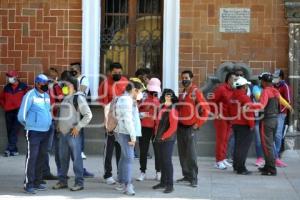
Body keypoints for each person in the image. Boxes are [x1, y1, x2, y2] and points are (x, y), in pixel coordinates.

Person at [246, 72, 293, 176]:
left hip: (267, 121)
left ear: (263, 82)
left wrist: (249, 107)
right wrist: (289, 107)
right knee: (270, 144)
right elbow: (283, 101)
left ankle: (271, 169)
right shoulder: (275, 91)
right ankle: (267, 166)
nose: (260, 82)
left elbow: (262, 106)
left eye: (261, 80)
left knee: (267, 145)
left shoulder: (266, 91)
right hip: (275, 120)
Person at [52, 75, 92, 191]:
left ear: (73, 87)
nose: (64, 87)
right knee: (62, 158)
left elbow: (88, 115)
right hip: (63, 134)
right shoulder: (66, 97)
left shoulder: (78, 98)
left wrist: (78, 127)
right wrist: (59, 125)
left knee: (76, 159)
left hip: (73, 134)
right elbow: (62, 113)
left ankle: (79, 183)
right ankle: (62, 181)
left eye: (66, 85)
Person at [18, 74, 52, 194]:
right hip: (33, 131)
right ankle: (29, 184)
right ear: (37, 83)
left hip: (46, 131)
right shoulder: (30, 95)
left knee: (41, 156)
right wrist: (30, 125)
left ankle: (37, 181)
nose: (46, 85)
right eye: (44, 83)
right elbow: (21, 115)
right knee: (32, 157)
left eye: (47, 83)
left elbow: (48, 111)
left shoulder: (47, 96)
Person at [177, 70, 210, 187]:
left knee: (191, 154)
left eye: (186, 77)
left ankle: (194, 178)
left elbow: (206, 110)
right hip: (180, 127)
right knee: (182, 154)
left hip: (191, 128)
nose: (184, 79)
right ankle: (186, 176)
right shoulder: (183, 92)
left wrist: (198, 124)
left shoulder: (196, 92)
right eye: (183, 78)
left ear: (192, 78)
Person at [98, 62, 129, 185]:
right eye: (115, 72)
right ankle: (108, 174)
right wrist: (106, 123)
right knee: (109, 149)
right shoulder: (105, 84)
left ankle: (120, 174)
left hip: (122, 121)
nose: (117, 74)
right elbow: (104, 104)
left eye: (119, 72)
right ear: (110, 72)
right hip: (110, 120)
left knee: (121, 149)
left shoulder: (126, 82)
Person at [114, 80, 143, 195]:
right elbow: (127, 120)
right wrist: (133, 136)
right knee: (129, 158)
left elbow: (129, 116)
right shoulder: (126, 100)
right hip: (126, 133)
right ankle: (128, 185)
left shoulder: (125, 99)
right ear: (134, 90)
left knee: (124, 157)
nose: (140, 94)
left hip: (123, 132)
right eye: (139, 91)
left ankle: (122, 182)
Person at [152, 89, 178, 193]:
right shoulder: (162, 108)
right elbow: (157, 123)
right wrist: (156, 134)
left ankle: (170, 185)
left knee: (167, 161)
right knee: (162, 160)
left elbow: (173, 127)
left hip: (168, 139)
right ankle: (163, 182)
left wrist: (163, 137)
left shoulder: (173, 110)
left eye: (169, 96)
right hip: (159, 138)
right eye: (165, 96)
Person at [136, 78, 161, 181]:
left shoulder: (160, 97)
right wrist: (139, 113)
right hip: (144, 126)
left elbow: (161, 112)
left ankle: (158, 172)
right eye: (152, 90)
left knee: (158, 150)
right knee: (143, 150)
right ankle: (143, 172)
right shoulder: (142, 95)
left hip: (156, 127)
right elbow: (136, 107)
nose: (153, 92)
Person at [210, 71, 236, 170]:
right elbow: (211, 102)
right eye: (234, 79)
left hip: (229, 118)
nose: (235, 81)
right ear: (228, 79)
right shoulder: (221, 89)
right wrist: (216, 114)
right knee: (220, 139)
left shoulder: (233, 90)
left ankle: (223, 158)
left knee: (226, 139)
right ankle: (218, 161)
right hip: (221, 118)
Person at [229, 77, 255, 175]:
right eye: (246, 86)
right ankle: (241, 168)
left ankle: (236, 166)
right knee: (243, 147)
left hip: (235, 124)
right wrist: (251, 125)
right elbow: (249, 113)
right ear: (244, 86)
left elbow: (229, 110)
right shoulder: (245, 98)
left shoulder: (232, 97)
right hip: (244, 125)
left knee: (237, 146)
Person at [0, 70, 29, 157]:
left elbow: (28, 99)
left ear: (16, 77)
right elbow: (1, 98)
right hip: (8, 111)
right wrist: (4, 106)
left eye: (10, 76)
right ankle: (14, 150)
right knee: (9, 131)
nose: (9, 78)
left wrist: (24, 109)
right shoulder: (7, 87)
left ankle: (9, 149)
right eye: (8, 76)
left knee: (14, 131)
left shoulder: (23, 87)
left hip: (19, 112)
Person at [42, 67, 63, 181]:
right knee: (47, 147)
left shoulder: (57, 87)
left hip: (57, 119)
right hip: (47, 120)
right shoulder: (42, 89)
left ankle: (61, 173)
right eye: (50, 77)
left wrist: (58, 85)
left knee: (59, 148)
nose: (52, 79)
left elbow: (63, 99)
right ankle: (45, 172)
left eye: (54, 76)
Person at [69, 62, 89, 160]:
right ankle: (73, 149)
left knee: (79, 128)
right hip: (70, 105)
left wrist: (73, 90)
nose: (71, 71)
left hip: (80, 105)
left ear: (78, 69)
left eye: (73, 69)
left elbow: (82, 89)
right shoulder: (71, 79)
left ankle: (81, 151)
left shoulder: (84, 79)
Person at [273, 69, 291, 167]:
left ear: (281, 77)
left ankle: (276, 154)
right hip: (272, 113)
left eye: (277, 77)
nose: (275, 79)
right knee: (272, 134)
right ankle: (273, 155)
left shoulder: (285, 86)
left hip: (280, 113)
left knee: (278, 134)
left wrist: (280, 110)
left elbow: (288, 101)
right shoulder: (271, 86)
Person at [252, 83, 265, 167]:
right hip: (257, 116)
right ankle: (260, 158)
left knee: (270, 139)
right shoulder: (256, 87)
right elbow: (258, 98)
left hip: (267, 117)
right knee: (258, 139)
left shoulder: (272, 89)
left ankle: (275, 158)